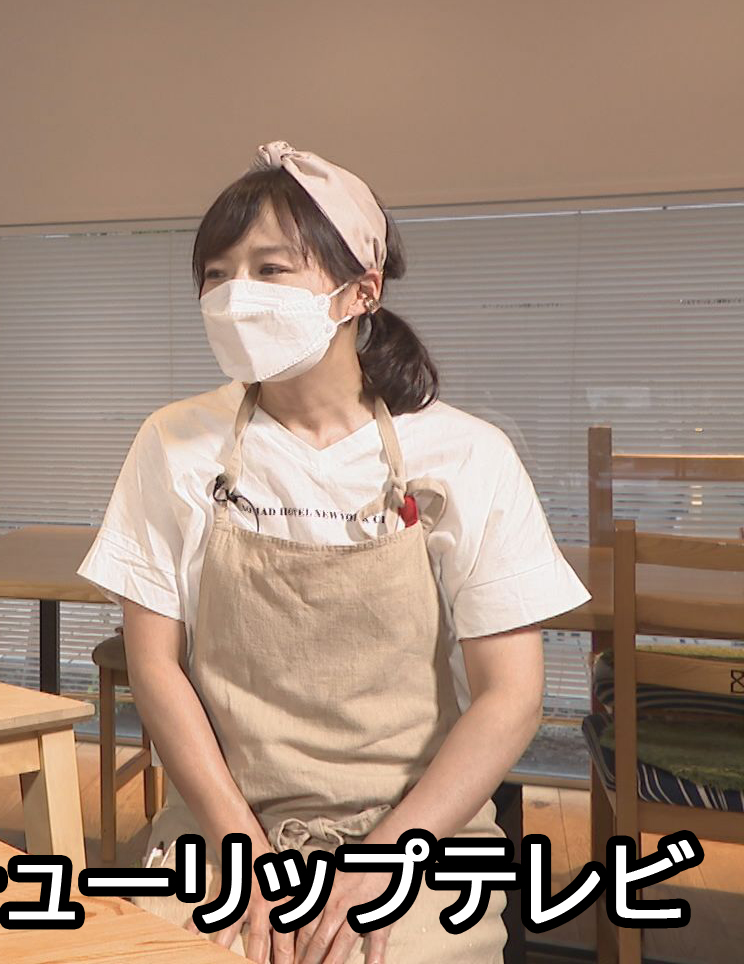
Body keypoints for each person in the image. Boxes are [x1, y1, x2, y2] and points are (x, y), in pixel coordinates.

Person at [79, 142, 588, 963]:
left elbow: (512, 696)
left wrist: (386, 860)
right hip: (222, 827)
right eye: (215, 274)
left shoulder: (468, 455)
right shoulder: (173, 443)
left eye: (270, 269)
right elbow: (155, 667)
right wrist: (240, 848)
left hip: (417, 832)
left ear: (362, 291)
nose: (234, 294)